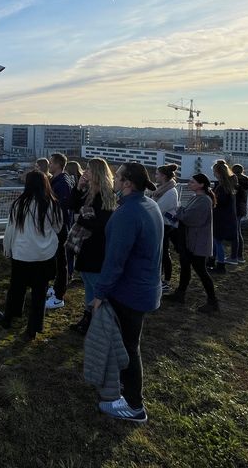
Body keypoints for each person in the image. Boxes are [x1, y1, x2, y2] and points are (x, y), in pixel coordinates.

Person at [92, 162, 163, 424]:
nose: (114, 181)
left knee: (129, 349)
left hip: (129, 292)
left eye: (118, 177)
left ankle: (134, 405)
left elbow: (115, 260)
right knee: (128, 345)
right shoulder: (149, 205)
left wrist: (100, 293)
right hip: (143, 289)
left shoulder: (126, 214)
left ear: (128, 184)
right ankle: (125, 392)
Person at [0, 170, 64, 338]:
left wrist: (7, 249)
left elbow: (10, 230)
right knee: (39, 293)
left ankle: (9, 317)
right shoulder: (52, 204)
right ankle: (33, 328)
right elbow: (58, 228)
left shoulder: (19, 204)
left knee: (16, 288)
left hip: (22, 254)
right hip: (44, 255)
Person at [68, 158, 117, 334]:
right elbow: (72, 205)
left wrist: (80, 218)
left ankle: (99, 322)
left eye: (88, 170)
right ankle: (88, 318)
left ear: (97, 173)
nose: (85, 172)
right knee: (88, 284)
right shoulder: (90, 191)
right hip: (85, 245)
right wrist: (78, 187)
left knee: (95, 286)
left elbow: (102, 223)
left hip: (96, 247)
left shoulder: (105, 195)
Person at [164, 173, 218, 312]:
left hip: (197, 241)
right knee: (186, 267)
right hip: (191, 240)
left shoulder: (204, 200)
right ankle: (180, 294)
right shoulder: (198, 198)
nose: (189, 184)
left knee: (201, 271)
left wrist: (179, 211)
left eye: (192, 182)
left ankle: (212, 302)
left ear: (201, 185)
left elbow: (190, 218)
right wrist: (181, 211)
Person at [46, 152, 75, 309]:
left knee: (61, 261)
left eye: (51, 162)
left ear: (58, 164)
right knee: (58, 261)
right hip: (58, 225)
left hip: (60, 227)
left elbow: (61, 207)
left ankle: (59, 296)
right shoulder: (59, 180)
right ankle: (57, 288)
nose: (49, 165)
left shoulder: (62, 183)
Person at [152, 163, 179, 292]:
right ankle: (161, 278)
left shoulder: (170, 191)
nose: (155, 176)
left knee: (164, 252)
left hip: (166, 224)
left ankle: (166, 280)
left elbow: (158, 208)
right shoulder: (163, 188)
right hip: (162, 223)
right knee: (162, 252)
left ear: (163, 176)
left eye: (157, 174)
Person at [212, 161, 238, 270]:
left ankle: (220, 264)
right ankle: (215, 261)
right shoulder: (228, 186)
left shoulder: (222, 187)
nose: (213, 174)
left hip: (220, 219)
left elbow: (218, 203)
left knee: (217, 242)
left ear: (218, 173)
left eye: (214, 172)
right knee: (216, 241)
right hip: (226, 218)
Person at [231, 164, 248, 264]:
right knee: (238, 232)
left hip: (235, 208)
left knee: (236, 233)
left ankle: (234, 256)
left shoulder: (235, 182)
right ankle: (239, 255)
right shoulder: (246, 180)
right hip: (242, 208)